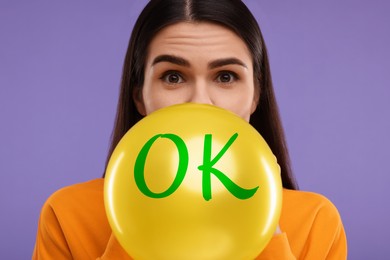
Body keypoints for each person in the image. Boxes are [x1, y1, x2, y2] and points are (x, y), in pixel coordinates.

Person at [33, 0, 347, 259]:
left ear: (255, 96)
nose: (199, 102)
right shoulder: (67, 215)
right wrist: (136, 227)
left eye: (225, 77)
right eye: (173, 77)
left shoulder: (315, 222)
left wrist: (269, 235)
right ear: (139, 96)